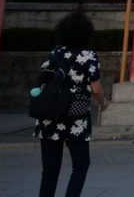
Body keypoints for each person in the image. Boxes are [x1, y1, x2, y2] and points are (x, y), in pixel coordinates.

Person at [35, 12, 108, 197]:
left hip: (49, 115)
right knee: (81, 166)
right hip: (74, 118)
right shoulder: (88, 55)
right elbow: (96, 89)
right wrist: (103, 102)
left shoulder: (55, 52)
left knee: (49, 171)